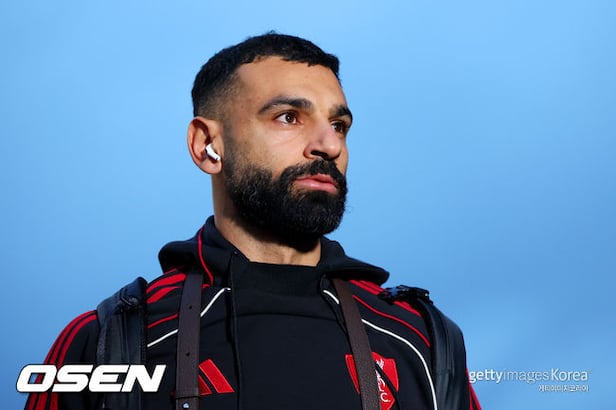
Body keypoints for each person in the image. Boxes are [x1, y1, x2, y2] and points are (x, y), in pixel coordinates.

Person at [25, 33, 481, 410]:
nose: (329, 145)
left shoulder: (421, 338)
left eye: (339, 125)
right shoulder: (112, 342)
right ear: (207, 146)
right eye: (289, 117)